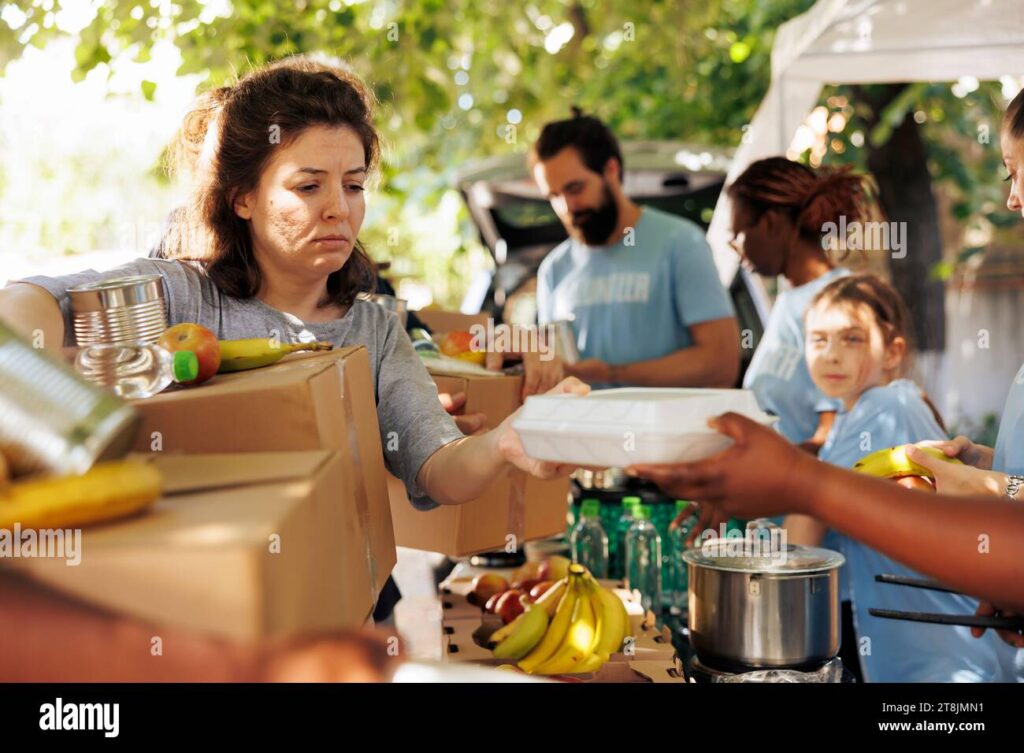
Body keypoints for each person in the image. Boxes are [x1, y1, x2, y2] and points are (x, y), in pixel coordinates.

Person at [0, 58, 588, 625]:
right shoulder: (180, 297)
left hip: (339, 625)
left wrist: (507, 444)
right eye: (308, 187)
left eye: (353, 185)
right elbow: (29, 302)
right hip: (187, 619)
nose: (339, 208)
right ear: (243, 198)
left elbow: (438, 466)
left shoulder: (374, 330)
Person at [625, 87, 1024, 651]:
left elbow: (833, 443)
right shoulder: (792, 306)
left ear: (890, 350)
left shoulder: (880, 389)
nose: (1010, 198)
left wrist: (790, 481)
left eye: (1014, 172)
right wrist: (988, 475)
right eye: (818, 342)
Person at [531, 110, 740, 389]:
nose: (566, 207)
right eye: (554, 196)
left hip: (668, 430)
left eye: (575, 188)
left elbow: (721, 365)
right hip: (582, 431)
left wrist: (610, 373)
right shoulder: (554, 269)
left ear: (611, 170)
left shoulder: (680, 243)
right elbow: (552, 373)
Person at [729, 157, 873, 452]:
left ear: (771, 223)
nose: (739, 250)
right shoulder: (790, 300)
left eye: (740, 234)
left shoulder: (835, 301)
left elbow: (831, 439)